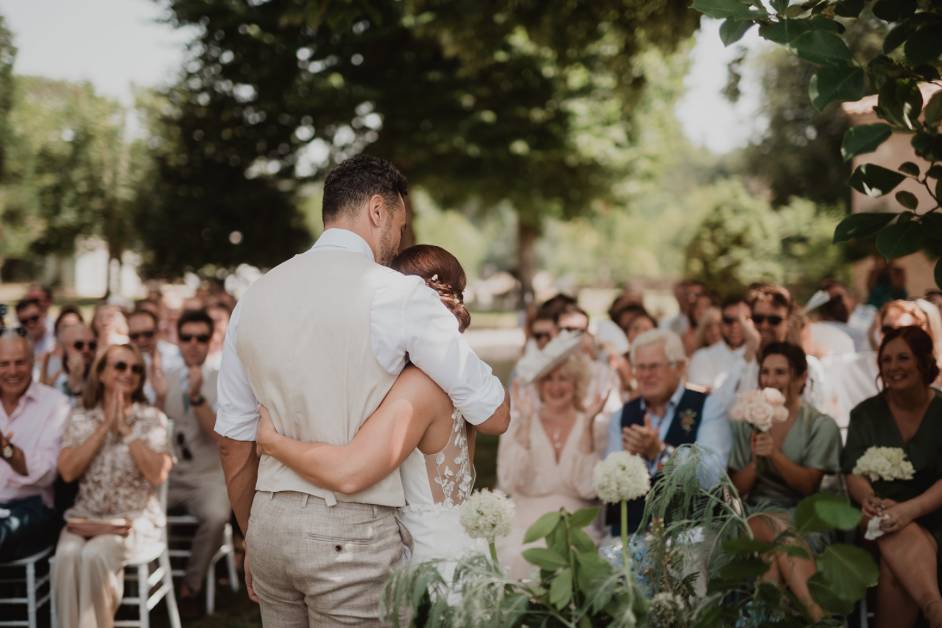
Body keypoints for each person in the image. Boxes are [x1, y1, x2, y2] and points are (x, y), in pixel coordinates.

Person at [214, 155, 509, 626]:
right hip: (349, 534)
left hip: (269, 524)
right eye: (399, 224)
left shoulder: (254, 297)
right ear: (377, 210)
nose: (397, 242)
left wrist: (256, 534)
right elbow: (493, 414)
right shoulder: (394, 293)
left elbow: (231, 441)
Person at [256, 244, 485, 583]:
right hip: (454, 544)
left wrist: (274, 443)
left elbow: (350, 471)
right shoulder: (459, 375)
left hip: (428, 563)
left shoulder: (419, 387)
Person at [53, 344, 173, 628]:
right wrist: (105, 427)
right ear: (103, 373)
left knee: (94, 555)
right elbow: (67, 472)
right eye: (120, 366)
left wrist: (127, 433)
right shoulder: (81, 415)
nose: (128, 373)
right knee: (67, 556)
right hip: (86, 518)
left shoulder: (151, 419)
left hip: (133, 520)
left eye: (136, 368)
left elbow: (158, 475)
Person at [728, 342, 841, 622]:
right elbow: (737, 489)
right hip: (753, 512)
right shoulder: (746, 422)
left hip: (805, 518)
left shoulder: (820, 424)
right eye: (765, 372)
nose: (770, 380)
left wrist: (774, 455)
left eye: (780, 372)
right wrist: (756, 460)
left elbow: (808, 487)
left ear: (801, 378)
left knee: (772, 552)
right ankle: (818, 616)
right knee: (768, 524)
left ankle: (768, 619)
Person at [843, 326, 942, 628]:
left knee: (893, 567)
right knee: (886, 525)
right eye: (886, 360)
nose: (893, 367)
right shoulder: (865, 414)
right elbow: (853, 473)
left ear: (923, 362)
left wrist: (910, 510)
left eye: (903, 358)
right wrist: (868, 498)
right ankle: (935, 610)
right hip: (876, 513)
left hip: (935, 515)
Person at [604, 329, 732, 531]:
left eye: (654, 366)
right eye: (640, 367)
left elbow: (712, 477)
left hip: (691, 534)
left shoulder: (708, 406)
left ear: (679, 367)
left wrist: (661, 454)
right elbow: (610, 486)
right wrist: (628, 460)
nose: (646, 375)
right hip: (632, 536)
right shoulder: (622, 415)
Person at [498, 334, 602, 578]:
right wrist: (524, 424)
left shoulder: (594, 425)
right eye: (548, 379)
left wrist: (587, 425)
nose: (556, 387)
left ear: (576, 383)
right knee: (519, 556)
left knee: (576, 560)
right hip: (525, 525)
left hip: (577, 526)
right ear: (538, 384)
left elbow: (589, 489)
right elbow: (509, 481)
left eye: (563, 379)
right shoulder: (517, 424)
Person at [164, 309, 230, 616]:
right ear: (177, 339)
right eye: (187, 337)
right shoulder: (162, 379)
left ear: (210, 341)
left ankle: (191, 584)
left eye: (200, 338)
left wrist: (197, 396)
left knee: (217, 515)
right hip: (169, 475)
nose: (193, 344)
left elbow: (219, 436)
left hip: (207, 477)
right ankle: (148, 579)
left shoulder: (224, 380)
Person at [0, 332, 71, 560]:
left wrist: (7, 450)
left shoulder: (54, 404)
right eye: (4, 364)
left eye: (19, 362)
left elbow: (47, 474)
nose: (12, 371)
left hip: (32, 508)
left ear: (33, 363)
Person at [688, 297, 748, 392]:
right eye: (708, 327)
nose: (714, 332)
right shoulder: (701, 356)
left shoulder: (754, 352)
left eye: (717, 325)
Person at [39, 306, 85, 386]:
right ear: (57, 328)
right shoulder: (47, 358)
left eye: (74, 326)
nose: (69, 331)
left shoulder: (87, 356)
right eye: (65, 326)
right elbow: (42, 387)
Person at [52, 323, 97, 405]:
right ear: (62, 349)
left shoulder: (100, 378)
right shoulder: (50, 378)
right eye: (79, 345)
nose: (86, 350)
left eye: (92, 345)